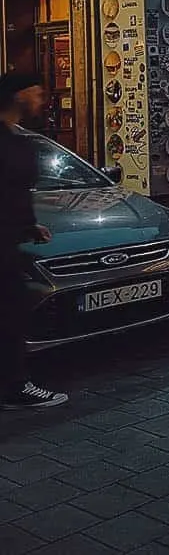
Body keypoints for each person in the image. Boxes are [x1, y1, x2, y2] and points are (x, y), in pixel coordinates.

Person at [0, 73, 67, 408]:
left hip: (10, 238)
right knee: (11, 311)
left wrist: (30, 225)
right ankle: (15, 386)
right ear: (19, 95)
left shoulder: (18, 137)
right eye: (37, 93)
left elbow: (16, 191)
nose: (42, 99)